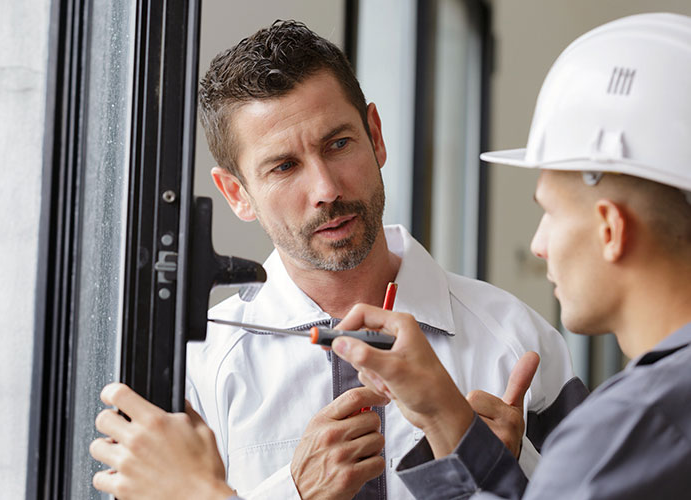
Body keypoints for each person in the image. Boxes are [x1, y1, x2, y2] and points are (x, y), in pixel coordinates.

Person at [185, 20, 586, 500]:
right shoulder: (200, 368)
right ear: (236, 193)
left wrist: (505, 467)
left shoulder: (517, 340)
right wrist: (293, 493)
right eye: (284, 166)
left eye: (338, 144)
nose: (326, 189)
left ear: (375, 135)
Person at [330, 12, 691, 499]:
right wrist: (443, 415)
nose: (539, 245)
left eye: (549, 213)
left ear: (611, 228)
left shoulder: (629, 430)